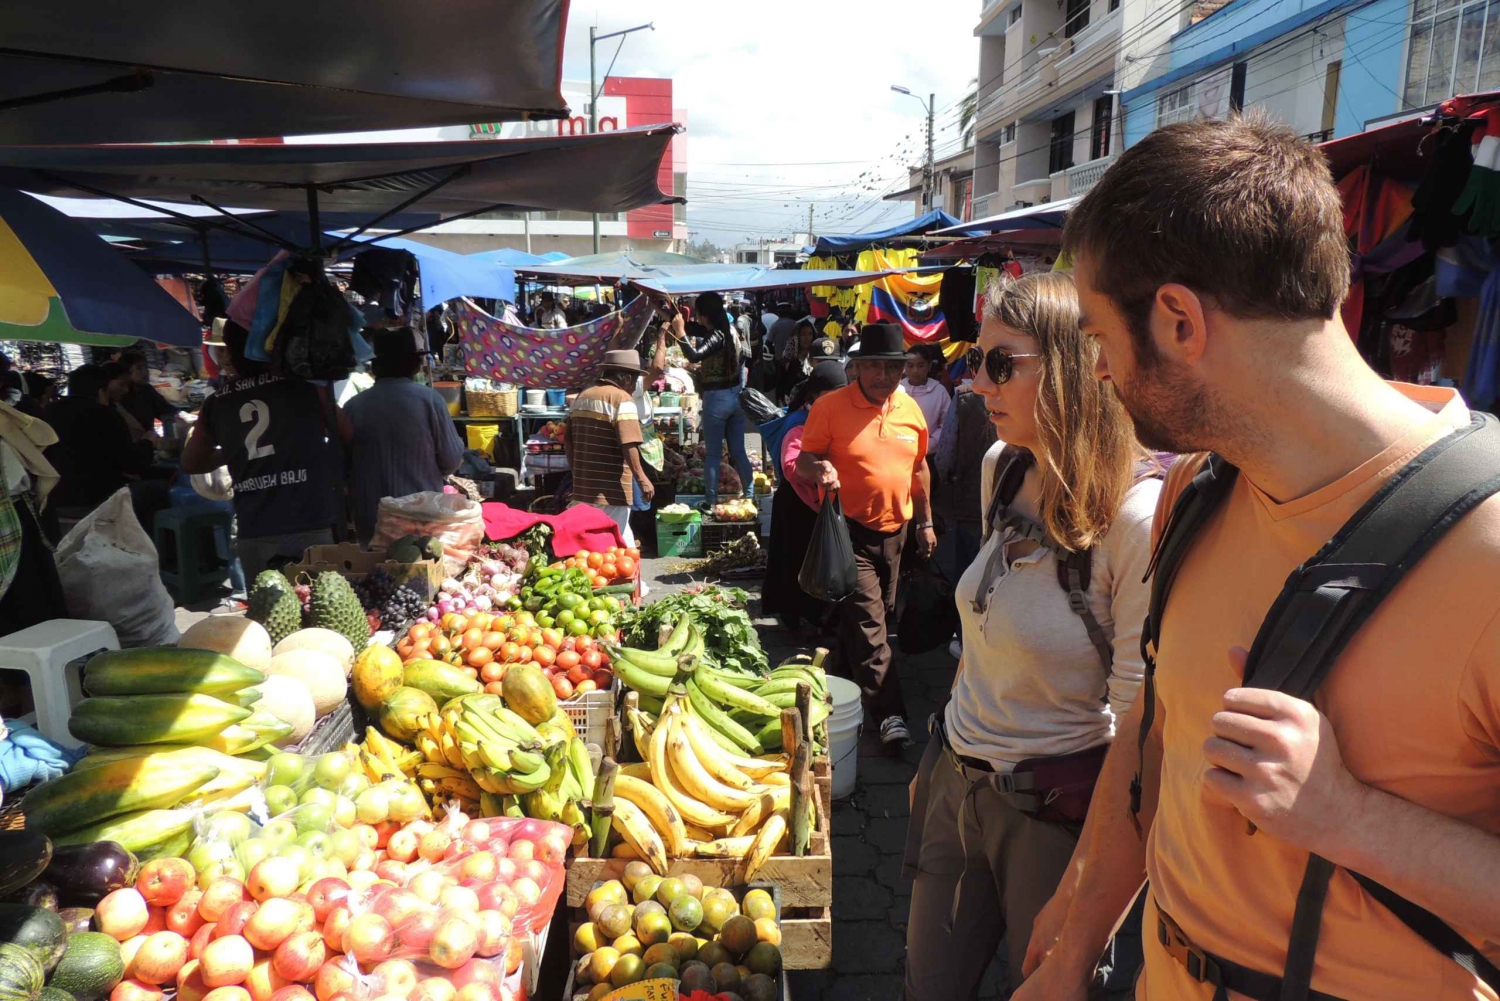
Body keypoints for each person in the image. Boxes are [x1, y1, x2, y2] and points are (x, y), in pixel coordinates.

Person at [1017, 116, 1500, 1001]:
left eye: (1097, 336)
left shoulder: (1490, 549)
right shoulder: (1196, 491)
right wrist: (1082, 926)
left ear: (1177, 322)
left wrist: (1349, 817)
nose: (1098, 371)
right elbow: (1157, 729)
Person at [903, 272, 1157, 1000]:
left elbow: (1139, 726)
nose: (977, 383)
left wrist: (1086, 882)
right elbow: (984, 625)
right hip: (956, 783)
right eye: (974, 361)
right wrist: (939, 753)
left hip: (1052, 815)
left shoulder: (1135, 517)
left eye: (999, 363)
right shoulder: (1001, 466)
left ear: (1074, 364)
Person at [795, 322, 934, 747]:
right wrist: (819, 469)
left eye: (891, 368)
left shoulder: (910, 410)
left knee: (877, 618)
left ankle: (837, 684)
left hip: (899, 530)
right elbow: (804, 462)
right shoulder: (831, 406)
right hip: (848, 531)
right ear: (856, 368)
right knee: (872, 625)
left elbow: (919, 469)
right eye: (873, 366)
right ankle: (890, 716)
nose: (882, 375)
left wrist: (926, 523)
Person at [180, 321, 348, 577]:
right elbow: (346, 432)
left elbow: (192, 463)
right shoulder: (306, 387)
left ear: (233, 352)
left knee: (266, 612)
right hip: (310, 518)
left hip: (256, 526)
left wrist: (233, 450)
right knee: (324, 607)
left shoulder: (217, 402)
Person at [343, 328, 465, 545]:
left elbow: (341, 467)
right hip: (420, 518)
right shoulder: (429, 400)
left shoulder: (354, 406)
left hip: (371, 521)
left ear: (375, 367)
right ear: (415, 364)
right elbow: (451, 459)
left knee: (374, 572)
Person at [761, 361, 848, 632]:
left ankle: (820, 616)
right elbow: (790, 465)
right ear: (815, 396)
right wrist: (818, 470)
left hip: (819, 503)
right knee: (795, 563)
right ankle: (797, 617)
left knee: (819, 562)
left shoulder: (833, 416)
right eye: (831, 393)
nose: (837, 399)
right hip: (797, 504)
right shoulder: (798, 423)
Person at [930, 375, 998, 654]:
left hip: (967, 503)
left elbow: (945, 455)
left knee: (967, 573)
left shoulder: (966, 398)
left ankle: (966, 637)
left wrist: (945, 482)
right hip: (1006, 506)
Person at [669, 292, 754, 509]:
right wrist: (669, 314)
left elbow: (695, 356)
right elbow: (696, 333)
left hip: (718, 399)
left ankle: (710, 500)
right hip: (736, 396)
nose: (696, 319)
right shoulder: (730, 331)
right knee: (738, 451)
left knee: (714, 455)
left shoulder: (717, 335)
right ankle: (750, 495)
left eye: (698, 314)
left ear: (705, 314)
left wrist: (679, 332)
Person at [564, 349, 655, 546]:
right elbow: (628, 443)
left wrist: (576, 472)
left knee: (593, 540)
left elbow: (568, 441)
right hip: (612, 489)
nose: (634, 387)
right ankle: (629, 576)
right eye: (635, 380)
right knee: (619, 539)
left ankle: (632, 577)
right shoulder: (622, 399)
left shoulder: (582, 396)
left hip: (584, 486)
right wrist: (642, 478)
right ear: (625, 378)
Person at [44, 364, 153, 519]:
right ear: (102, 391)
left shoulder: (48, 411)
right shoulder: (105, 414)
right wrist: (148, 443)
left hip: (53, 502)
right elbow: (132, 463)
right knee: (162, 490)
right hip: (96, 500)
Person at [901, 343, 952, 456]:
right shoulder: (898, 389)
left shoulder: (939, 391)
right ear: (904, 366)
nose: (915, 371)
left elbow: (947, 424)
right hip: (901, 451)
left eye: (920, 366)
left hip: (930, 453)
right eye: (910, 366)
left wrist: (930, 443)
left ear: (929, 366)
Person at [117, 351, 180, 437]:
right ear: (127, 372)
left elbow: (165, 409)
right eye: (139, 368)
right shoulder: (120, 395)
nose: (145, 372)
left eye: (146, 367)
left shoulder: (146, 389)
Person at [776, 318, 817, 403]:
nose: (807, 338)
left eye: (810, 334)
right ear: (796, 336)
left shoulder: (816, 356)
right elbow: (780, 381)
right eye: (803, 334)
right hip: (790, 403)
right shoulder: (788, 358)